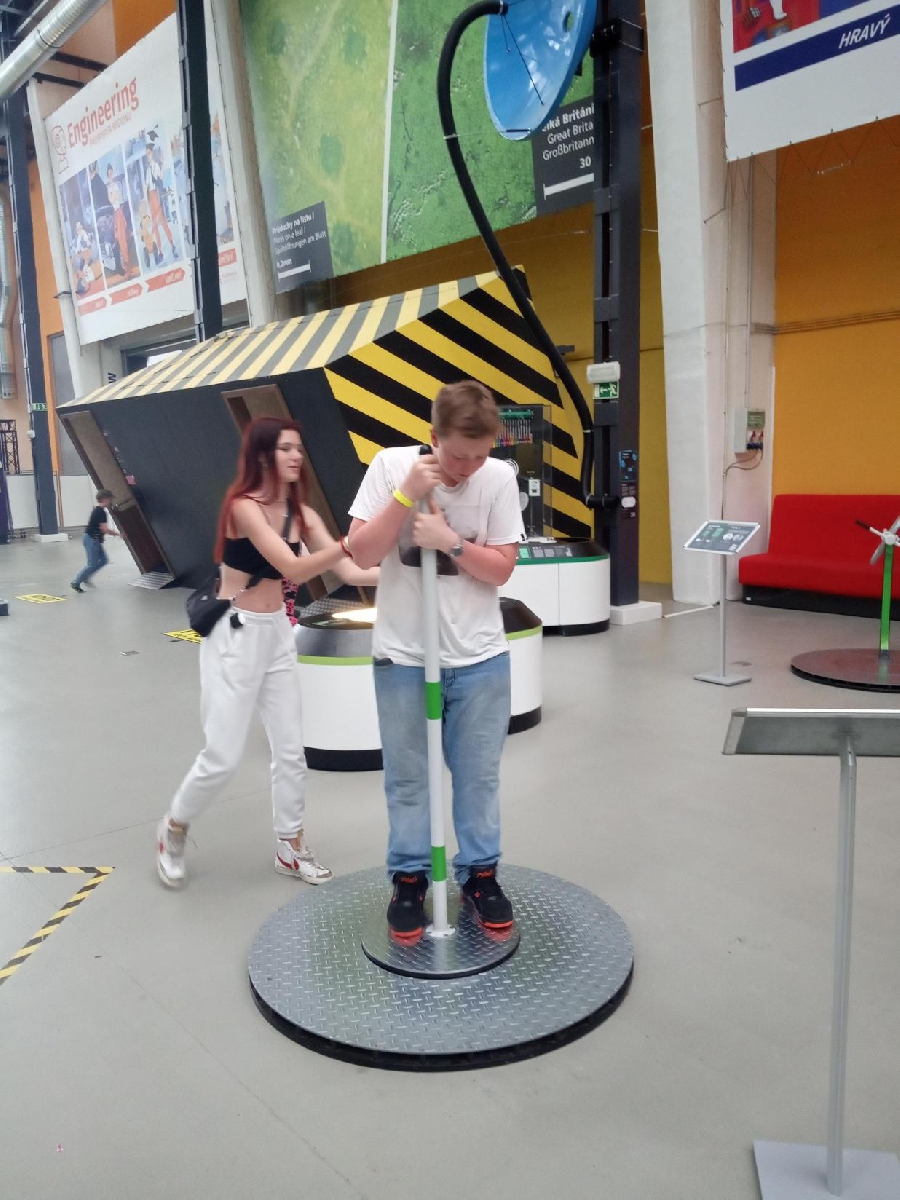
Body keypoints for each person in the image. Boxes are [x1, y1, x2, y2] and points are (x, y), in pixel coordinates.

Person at [157, 417, 377, 889]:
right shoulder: (244, 508)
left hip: (278, 632)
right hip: (235, 634)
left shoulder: (304, 515)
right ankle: (173, 827)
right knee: (222, 756)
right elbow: (294, 567)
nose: (296, 456)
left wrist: (418, 572)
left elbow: (352, 573)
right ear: (262, 456)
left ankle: (290, 847)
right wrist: (346, 544)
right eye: (285, 449)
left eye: (298, 447)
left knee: (291, 751)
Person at [348, 380, 524, 939]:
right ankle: (409, 879)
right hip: (403, 657)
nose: (467, 468)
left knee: (478, 780)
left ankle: (480, 875)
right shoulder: (390, 466)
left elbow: (501, 569)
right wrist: (405, 497)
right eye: (456, 455)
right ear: (433, 437)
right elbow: (361, 553)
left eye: (479, 455)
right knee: (408, 780)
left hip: (480, 659)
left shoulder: (498, 478)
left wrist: (450, 541)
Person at [71, 490, 119, 592]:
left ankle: (86, 577)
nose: (111, 501)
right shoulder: (100, 512)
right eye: (110, 499)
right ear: (105, 499)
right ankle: (76, 582)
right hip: (91, 539)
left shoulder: (98, 510)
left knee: (104, 560)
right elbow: (104, 529)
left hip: (94, 539)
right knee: (92, 564)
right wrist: (118, 534)